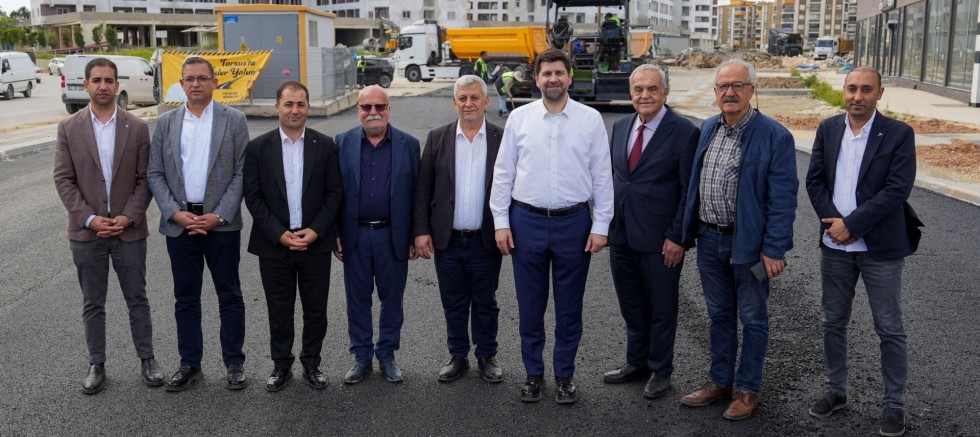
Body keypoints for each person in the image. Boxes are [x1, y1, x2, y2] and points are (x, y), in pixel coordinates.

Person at [490, 48, 613, 404]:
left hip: (574, 223)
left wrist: (601, 225)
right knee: (530, 306)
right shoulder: (519, 119)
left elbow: (602, 176)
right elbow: (503, 173)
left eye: (559, 72)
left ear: (570, 77)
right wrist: (501, 222)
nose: (553, 79)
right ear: (537, 79)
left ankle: (564, 375)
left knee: (569, 307)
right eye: (547, 74)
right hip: (525, 221)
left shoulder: (590, 119)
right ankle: (533, 374)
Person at [805, 66, 922, 437]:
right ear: (844, 91)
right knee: (832, 321)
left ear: (879, 93)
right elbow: (815, 181)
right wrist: (833, 223)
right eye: (852, 88)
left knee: (889, 327)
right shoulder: (828, 129)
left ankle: (894, 405)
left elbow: (897, 189)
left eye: (866, 89)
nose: (858, 96)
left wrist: (852, 225)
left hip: (879, 247)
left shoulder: (899, 133)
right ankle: (835, 391)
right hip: (834, 246)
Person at [679, 58, 798, 420]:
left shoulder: (775, 136)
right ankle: (719, 382)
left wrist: (774, 248)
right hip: (709, 239)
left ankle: (747, 389)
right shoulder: (708, 127)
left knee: (753, 318)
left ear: (752, 90)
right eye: (723, 86)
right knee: (719, 315)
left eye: (737, 85)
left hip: (748, 245)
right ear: (715, 91)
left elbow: (783, 199)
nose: (729, 92)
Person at [53, 57, 162, 394]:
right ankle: (96, 363)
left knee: (137, 298)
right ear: (86, 85)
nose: (103, 86)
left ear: (117, 85)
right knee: (93, 302)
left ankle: (147, 359)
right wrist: (89, 218)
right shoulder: (68, 128)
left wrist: (128, 216)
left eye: (109, 80)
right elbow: (64, 179)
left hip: (129, 232)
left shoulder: (137, 127)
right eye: (97, 80)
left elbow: (145, 179)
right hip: (87, 233)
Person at [147, 56, 250, 392]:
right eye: (189, 79)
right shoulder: (166, 123)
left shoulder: (234, 120)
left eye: (202, 78)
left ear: (214, 82)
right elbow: (155, 173)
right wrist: (174, 212)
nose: (195, 84)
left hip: (221, 224)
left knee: (229, 295)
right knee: (186, 297)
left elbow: (241, 173)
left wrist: (218, 215)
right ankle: (189, 362)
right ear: (181, 83)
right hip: (180, 224)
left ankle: (234, 363)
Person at [603, 64, 699, 399]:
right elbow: (616, 179)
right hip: (622, 235)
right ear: (631, 93)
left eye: (652, 89)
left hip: (661, 239)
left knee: (661, 307)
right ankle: (637, 362)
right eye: (638, 89)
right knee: (631, 304)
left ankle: (661, 369)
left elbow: (689, 190)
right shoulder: (621, 126)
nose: (645, 95)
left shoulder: (683, 131)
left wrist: (678, 237)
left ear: (665, 92)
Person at [243, 81, 343, 392]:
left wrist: (316, 231)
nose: (295, 110)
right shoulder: (258, 148)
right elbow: (253, 197)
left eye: (300, 104)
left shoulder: (325, 145)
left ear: (308, 107)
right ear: (277, 107)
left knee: (316, 309)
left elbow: (334, 193)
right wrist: (279, 234)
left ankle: (312, 362)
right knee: (279, 309)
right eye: (288, 104)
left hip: (315, 244)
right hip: (275, 245)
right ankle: (281, 365)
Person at [413, 75, 505, 383]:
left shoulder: (501, 138)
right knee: (453, 301)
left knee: (485, 301)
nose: (468, 104)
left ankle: (487, 355)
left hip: (485, 238)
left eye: (474, 97)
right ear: (454, 102)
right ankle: (458, 355)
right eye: (462, 98)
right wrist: (421, 230)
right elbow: (424, 186)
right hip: (448, 240)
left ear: (486, 101)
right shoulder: (438, 137)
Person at [333, 85, 421, 384]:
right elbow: (333, 191)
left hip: (392, 235)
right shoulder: (342, 142)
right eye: (366, 107)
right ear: (358, 110)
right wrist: (335, 232)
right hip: (355, 235)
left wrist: (415, 234)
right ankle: (361, 356)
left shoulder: (409, 145)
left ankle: (387, 354)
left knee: (392, 299)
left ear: (389, 109)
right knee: (357, 299)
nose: (373, 113)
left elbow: (417, 193)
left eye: (379, 107)